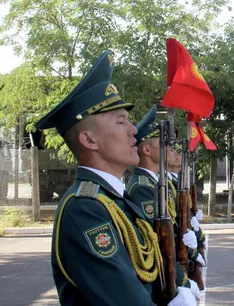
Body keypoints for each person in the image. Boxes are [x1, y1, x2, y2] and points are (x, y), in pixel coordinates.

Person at [35, 51, 195, 306]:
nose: (133, 131)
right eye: (121, 122)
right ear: (89, 140)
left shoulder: (115, 201)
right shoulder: (85, 209)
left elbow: (154, 259)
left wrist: (182, 285)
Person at [125, 105, 203, 298]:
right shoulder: (142, 187)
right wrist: (182, 280)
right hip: (164, 274)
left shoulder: (155, 183)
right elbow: (157, 242)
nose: (168, 150)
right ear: (146, 150)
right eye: (162, 145)